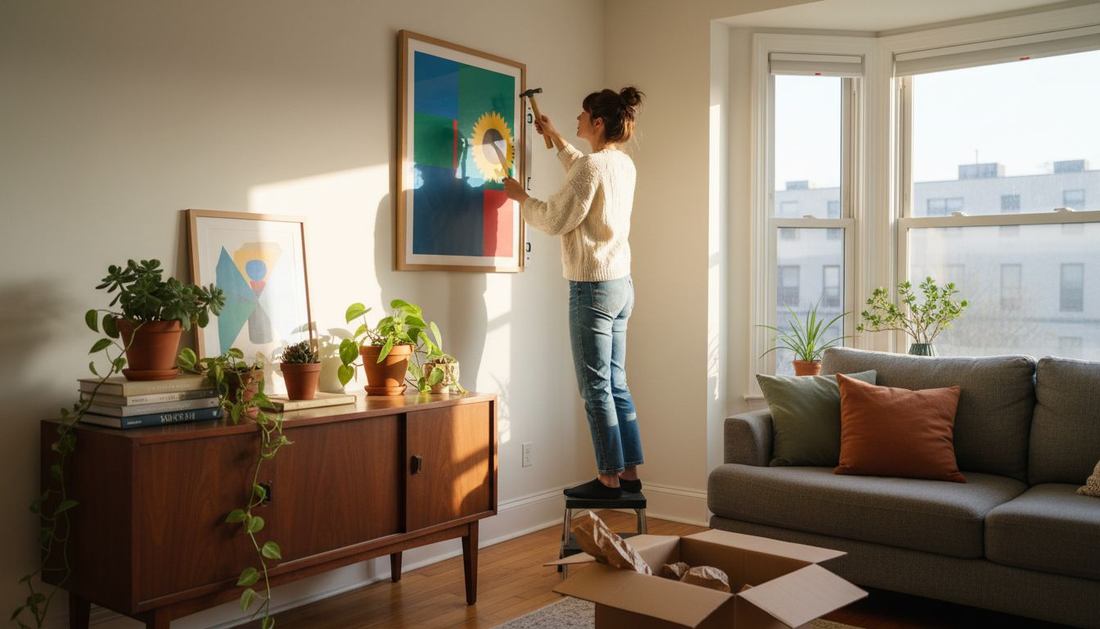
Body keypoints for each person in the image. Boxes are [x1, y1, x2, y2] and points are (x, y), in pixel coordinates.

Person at [503, 86, 645, 499]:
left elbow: (554, 218)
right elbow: (586, 170)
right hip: (621, 286)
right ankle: (630, 474)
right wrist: (557, 141)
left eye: (582, 115)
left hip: (592, 289)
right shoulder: (622, 165)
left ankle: (607, 480)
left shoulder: (592, 169)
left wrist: (521, 199)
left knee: (594, 388)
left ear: (598, 123)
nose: (576, 120)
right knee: (616, 384)